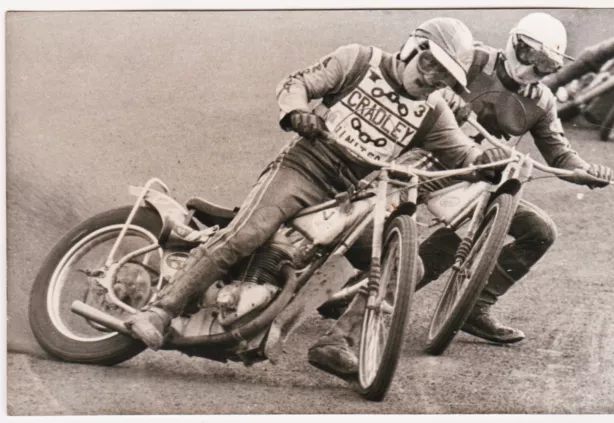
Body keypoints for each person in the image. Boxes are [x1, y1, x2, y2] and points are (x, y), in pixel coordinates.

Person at [125, 18, 502, 377]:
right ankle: (160, 310)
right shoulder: (359, 60)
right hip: (302, 168)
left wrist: (485, 161)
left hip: (349, 196)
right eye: (428, 63)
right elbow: (297, 82)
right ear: (411, 48)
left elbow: (462, 153)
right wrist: (298, 113)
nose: (430, 78)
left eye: (443, 76)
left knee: (408, 266)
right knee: (247, 233)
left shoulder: (433, 111)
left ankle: (339, 342)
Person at [415, 12, 614, 345]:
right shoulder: (473, 59)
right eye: (527, 54)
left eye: (544, 65)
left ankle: (474, 306)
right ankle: (356, 287)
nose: (530, 69)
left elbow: (559, 152)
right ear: (514, 41)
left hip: (477, 184)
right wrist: (446, 100)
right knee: (380, 207)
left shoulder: (542, 101)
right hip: (425, 158)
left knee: (539, 231)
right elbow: (417, 83)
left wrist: (587, 172)